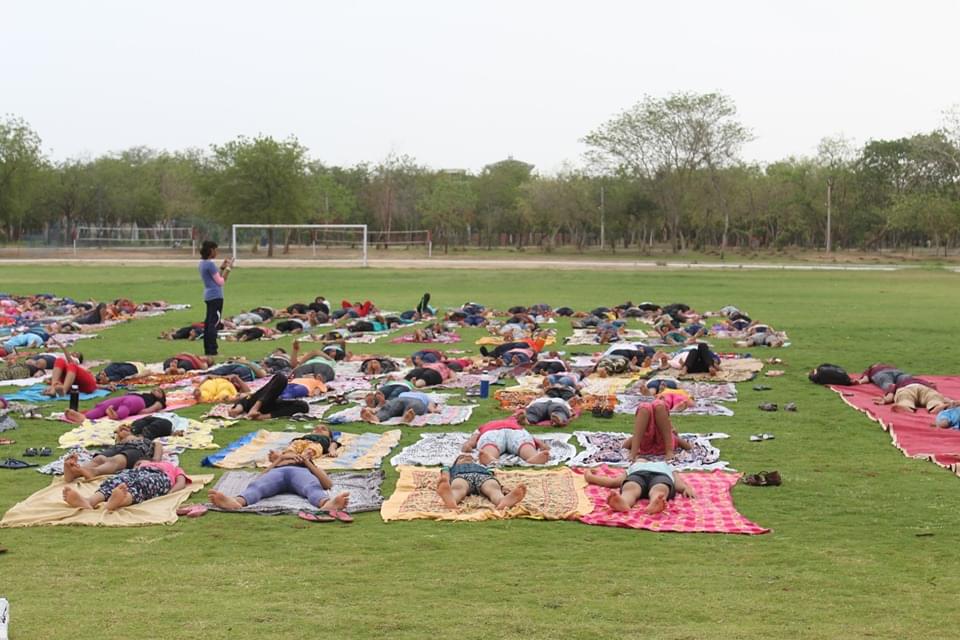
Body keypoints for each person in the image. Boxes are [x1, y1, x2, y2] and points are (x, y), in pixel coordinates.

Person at [208, 448, 350, 516]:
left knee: (312, 487)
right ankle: (237, 502)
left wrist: (307, 463)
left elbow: (327, 484)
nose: (291, 455)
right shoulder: (278, 464)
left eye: (295, 454)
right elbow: (259, 478)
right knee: (257, 486)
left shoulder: (309, 467)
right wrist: (279, 460)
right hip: (278, 473)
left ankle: (327, 504)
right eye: (288, 453)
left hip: (301, 474)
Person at [62, 460, 191, 512]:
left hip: (161, 477)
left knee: (143, 485)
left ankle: (122, 500)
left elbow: (181, 481)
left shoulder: (173, 468)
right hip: (136, 472)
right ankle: (90, 501)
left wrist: (171, 493)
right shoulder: (143, 463)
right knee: (115, 481)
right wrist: (138, 466)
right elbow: (133, 469)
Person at [583, 460, 695, 514]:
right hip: (637, 475)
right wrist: (591, 477)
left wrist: (685, 488)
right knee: (630, 487)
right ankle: (624, 502)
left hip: (661, 476)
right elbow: (615, 482)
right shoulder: (633, 466)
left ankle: (655, 503)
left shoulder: (668, 466)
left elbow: (677, 481)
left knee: (660, 488)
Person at [436, 454, 527, 511]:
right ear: (455, 463)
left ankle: (503, 501)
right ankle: (451, 500)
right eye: (462, 457)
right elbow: (444, 476)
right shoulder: (450, 468)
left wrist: (502, 488)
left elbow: (492, 477)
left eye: (470, 458)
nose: (467, 457)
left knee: (493, 488)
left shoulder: (484, 468)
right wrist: (445, 483)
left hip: (483, 477)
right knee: (458, 488)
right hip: (461, 477)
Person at [62, 430, 162, 481]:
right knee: (99, 458)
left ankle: (94, 472)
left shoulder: (151, 442)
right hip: (119, 447)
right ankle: (74, 472)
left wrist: (151, 462)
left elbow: (156, 459)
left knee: (116, 460)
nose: (121, 431)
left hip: (138, 449)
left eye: (124, 430)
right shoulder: (122, 440)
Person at [623, 392, 694, 460]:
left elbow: (626, 445)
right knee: (657, 406)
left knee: (646, 407)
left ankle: (633, 455)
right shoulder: (672, 438)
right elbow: (688, 447)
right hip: (662, 445)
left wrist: (632, 452)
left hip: (648, 446)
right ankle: (669, 451)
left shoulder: (672, 437)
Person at [461, 417, 551, 465]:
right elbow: (531, 437)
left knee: (490, 443)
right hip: (513, 432)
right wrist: (541, 444)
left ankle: (489, 457)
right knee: (524, 443)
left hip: (495, 433)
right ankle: (533, 456)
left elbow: (474, 439)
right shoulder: (517, 425)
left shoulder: (483, 427)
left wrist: (469, 444)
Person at [199, 240, 233, 357]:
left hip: (208, 295)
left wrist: (222, 268)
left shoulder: (203, 263)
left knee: (208, 323)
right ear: (211, 250)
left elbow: (214, 278)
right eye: (216, 249)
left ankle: (208, 349)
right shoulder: (210, 264)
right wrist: (228, 269)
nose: (217, 252)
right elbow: (220, 281)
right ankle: (213, 350)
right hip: (216, 296)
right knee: (214, 323)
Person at [227, 373, 308, 419]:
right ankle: (255, 409)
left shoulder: (294, 386)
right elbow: (245, 400)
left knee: (303, 406)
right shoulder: (251, 397)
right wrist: (236, 410)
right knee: (281, 377)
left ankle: (261, 416)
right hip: (255, 404)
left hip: (271, 406)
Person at [64, 389, 166, 424]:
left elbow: (150, 410)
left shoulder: (158, 402)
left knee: (127, 404)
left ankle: (116, 415)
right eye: (155, 389)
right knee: (104, 405)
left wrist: (141, 412)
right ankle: (85, 417)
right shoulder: (144, 393)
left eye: (159, 391)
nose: (156, 390)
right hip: (129, 397)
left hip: (139, 401)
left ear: (162, 397)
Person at [359, 390, 440, 424]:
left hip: (416, 401)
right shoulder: (404, 392)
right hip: (400, 399)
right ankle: (376, 418)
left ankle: (405, 418)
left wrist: (433, 409)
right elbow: (389, 403)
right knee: (389, 407)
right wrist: (377, 409)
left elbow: (431, 403)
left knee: (412, 407)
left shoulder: (424, 395)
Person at [874, 382, 954, 414]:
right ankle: (936, 406)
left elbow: (891, 394)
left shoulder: (898, 383)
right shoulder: (926, 382)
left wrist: (885, 400)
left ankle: (906, 406)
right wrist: (950, 401)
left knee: (904, 396)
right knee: (933, 397)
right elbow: (938, 394)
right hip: (924, 388)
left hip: (907, 388)